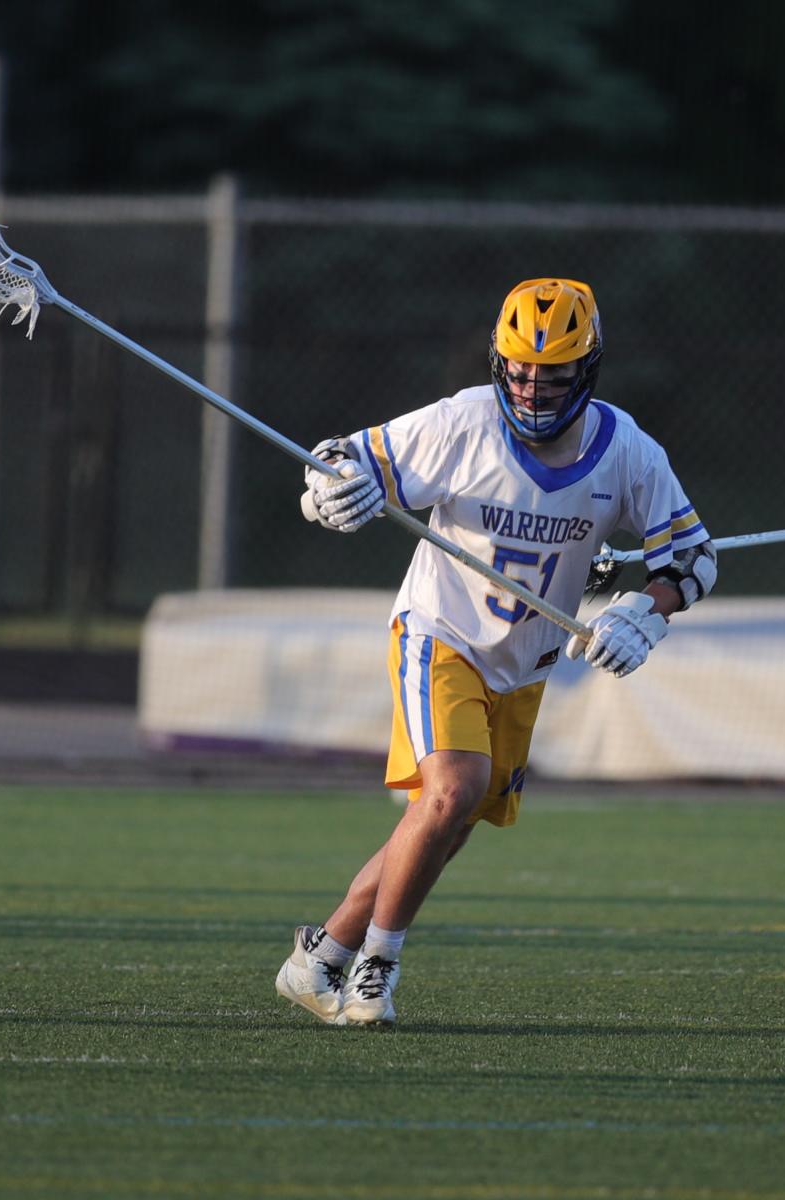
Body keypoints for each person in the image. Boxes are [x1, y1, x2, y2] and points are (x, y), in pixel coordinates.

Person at [275, 278, 717, 1028]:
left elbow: (694, 561)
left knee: (442, 823)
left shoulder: (628, 453)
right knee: (452, 790)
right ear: (497, 363)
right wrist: (328, 491)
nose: (533, 387)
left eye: (552, 373)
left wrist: (649, 608)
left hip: (528, 662)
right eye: (518, 369)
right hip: (440, 632)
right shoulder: (462, 423)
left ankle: (320, 958)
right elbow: (345, 459)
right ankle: (377, 971)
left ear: (589, 368)